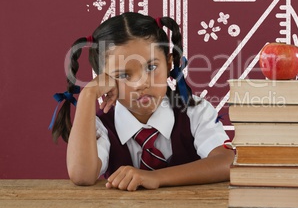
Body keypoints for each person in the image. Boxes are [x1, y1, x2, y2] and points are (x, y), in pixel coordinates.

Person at [50, 12, 234, 191]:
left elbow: (226, 163)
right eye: (123, 75)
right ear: (104, 81)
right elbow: (82, 175)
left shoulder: (195, 111)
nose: (141, 83)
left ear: (170, 63)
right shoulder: (101, 125)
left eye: (152, 67)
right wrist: (88, 95)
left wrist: (155, 178)